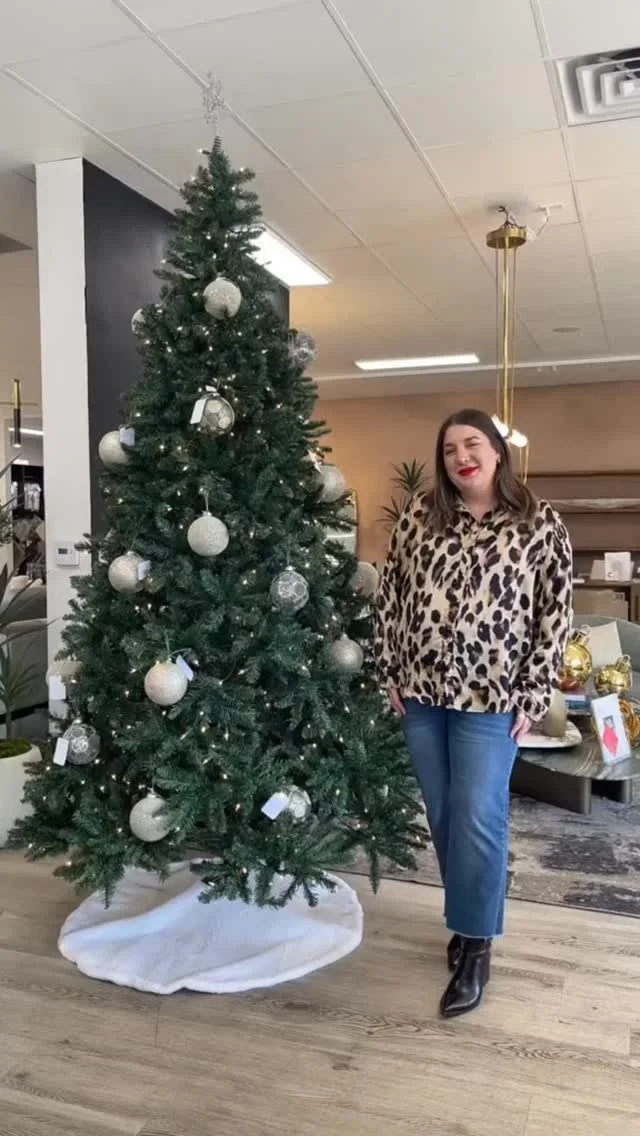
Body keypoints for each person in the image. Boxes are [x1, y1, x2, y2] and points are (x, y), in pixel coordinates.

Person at [375, 408, 572, 1018]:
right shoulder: (420, 516)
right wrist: (388, 670)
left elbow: (554, 614)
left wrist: (535, 692)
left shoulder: (538, 521)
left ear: (497, 451)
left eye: (473, 443)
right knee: (443, 815)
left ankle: (478, 945)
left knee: (479, 817)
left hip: (494, 698)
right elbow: (390, 595)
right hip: (422, 692)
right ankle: (466, 921)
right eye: (450, 448)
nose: (462, 456)